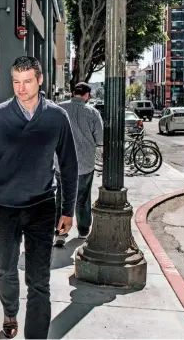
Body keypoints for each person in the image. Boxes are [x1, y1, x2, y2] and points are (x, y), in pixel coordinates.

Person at [0, 56, 78, 339]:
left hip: (42, 206)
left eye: (27, 81)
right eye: (16, 82)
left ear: (40, 80)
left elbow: (69, 166)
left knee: (39, 280)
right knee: (5, 268)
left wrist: (68, 211)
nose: (21, 88)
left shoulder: (57, 117)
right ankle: (9, 311)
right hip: (3, 208)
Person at [54, 82, 103, 246]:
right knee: (82, 198)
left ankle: (60, 233)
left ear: (72, 92)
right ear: (87, 95)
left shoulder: (58, 110)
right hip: (84, 164)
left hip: (61, 164)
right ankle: (83, 230)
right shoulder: (93, 112)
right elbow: (100, 140)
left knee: (61, 198)